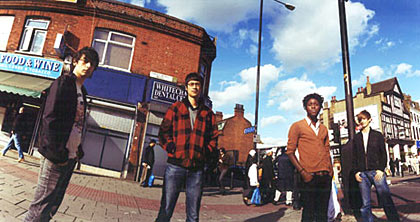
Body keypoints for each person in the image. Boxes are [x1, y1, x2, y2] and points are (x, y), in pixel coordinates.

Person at [24, 47, 99, 222]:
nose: (88, 66)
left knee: (52, 206)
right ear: (75, 61)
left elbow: (77, 123)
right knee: (40, 206)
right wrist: (57, 153)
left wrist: (77, 149)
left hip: (70, 156)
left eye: (92, 64)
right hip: (56, 156)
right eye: (84, 61)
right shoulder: (64, 83)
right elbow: (49, 118)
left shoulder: (83, 92)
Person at [156, 72, 218, 222]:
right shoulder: (175, 108)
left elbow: (213, 138)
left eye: (197, 84)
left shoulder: (208, 114)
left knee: (193, 215)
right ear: (186, 87)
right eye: (191, 84)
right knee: (166, 209)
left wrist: (204, 153)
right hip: (175, 166)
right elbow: (163, 132)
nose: (194, 87)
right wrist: (171, 147)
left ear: (201, 88)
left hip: (196, 169)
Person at [286, 93, 333, 222]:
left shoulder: (323, 128)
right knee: (309, 213)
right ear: (305, 107)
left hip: (325, 177)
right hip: (308, 177)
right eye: (310, 104)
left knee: (322, 214)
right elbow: (290, 152)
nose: (313, 107)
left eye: (316, 104)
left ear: (320, 108)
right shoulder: (297, 126)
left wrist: (330, 171)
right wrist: (303, 172)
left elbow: (327, 150)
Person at [352, 110, 400, 222]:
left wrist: (380, 169)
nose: (362, 121)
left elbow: (383, 153)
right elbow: (354, 156)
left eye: (364, 118)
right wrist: (356, 172)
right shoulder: (357, 138)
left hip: (376, 172)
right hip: (362, 174)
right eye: (360, 119)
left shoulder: (377, 135)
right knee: (365, 205)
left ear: (369, 119)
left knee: (386, 200)